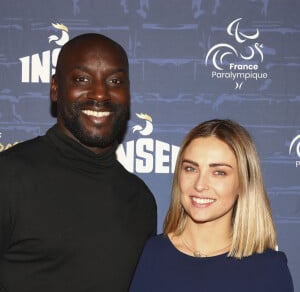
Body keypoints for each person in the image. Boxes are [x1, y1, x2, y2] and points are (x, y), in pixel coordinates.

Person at [0, 33, 157, 292]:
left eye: (115, 81)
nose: (99, 94)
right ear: (55, 88)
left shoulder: (139, 199)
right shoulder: (9, 176)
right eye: (81, 79)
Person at [129, 119, 294, 292]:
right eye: (191, 169)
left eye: (219, 172)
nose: (200, 185)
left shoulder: (269, 269)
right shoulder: (150, 253)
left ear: (243, 183)